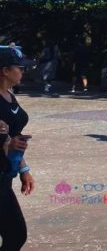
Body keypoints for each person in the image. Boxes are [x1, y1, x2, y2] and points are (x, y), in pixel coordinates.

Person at [1, 46, 36, 251]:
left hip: (5, 175)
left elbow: (13, 135)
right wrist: (7, 144)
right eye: (20, 68)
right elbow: (8, 140)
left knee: (15, 235)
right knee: (15, 234)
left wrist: (23, 169)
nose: (23, 71)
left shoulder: (8, 93)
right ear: (5, 70)